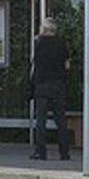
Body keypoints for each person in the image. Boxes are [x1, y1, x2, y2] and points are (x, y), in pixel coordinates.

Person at [31, 18, 70, 161]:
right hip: (58, 84)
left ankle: (41, 152)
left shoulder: (39, 44)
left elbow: (35, 64)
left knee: (41, 120)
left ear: (45, 29)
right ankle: (64, 152)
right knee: (61, 120)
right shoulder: (61, 44)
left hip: (42, 84)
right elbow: (67, 65)